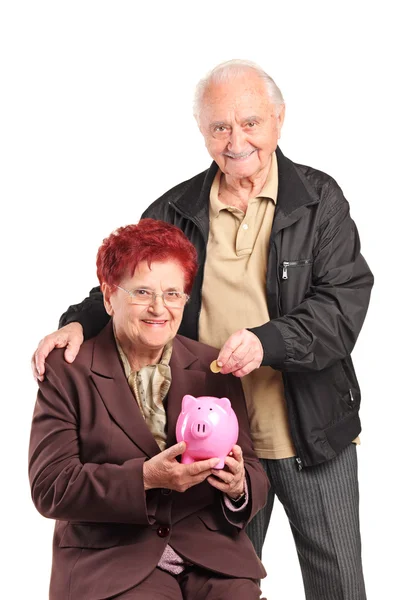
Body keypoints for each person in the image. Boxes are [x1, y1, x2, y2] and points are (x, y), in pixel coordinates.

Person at [32, 60, 374, 600]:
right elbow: (132, 279)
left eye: (250, 123)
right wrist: (76, 322)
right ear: (202, 133)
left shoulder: (319, 199)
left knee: (339, 585)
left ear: (279, 120)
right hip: (208, 442)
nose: (236, 140)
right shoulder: (177, 208)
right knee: (228, 579)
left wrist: (268, 341)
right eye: (219, 127)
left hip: (310, 431)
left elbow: (343, 304)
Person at [29, 219, 269, 600]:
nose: (160, 308)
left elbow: (254, 470)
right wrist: (144, 478)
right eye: (143, 292)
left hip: (210, 558)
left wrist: (239, 486)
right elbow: (51, 488)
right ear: (109, 297)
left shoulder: (213, 366)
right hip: (113, 557)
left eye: (174, 294)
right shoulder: (67, 370)